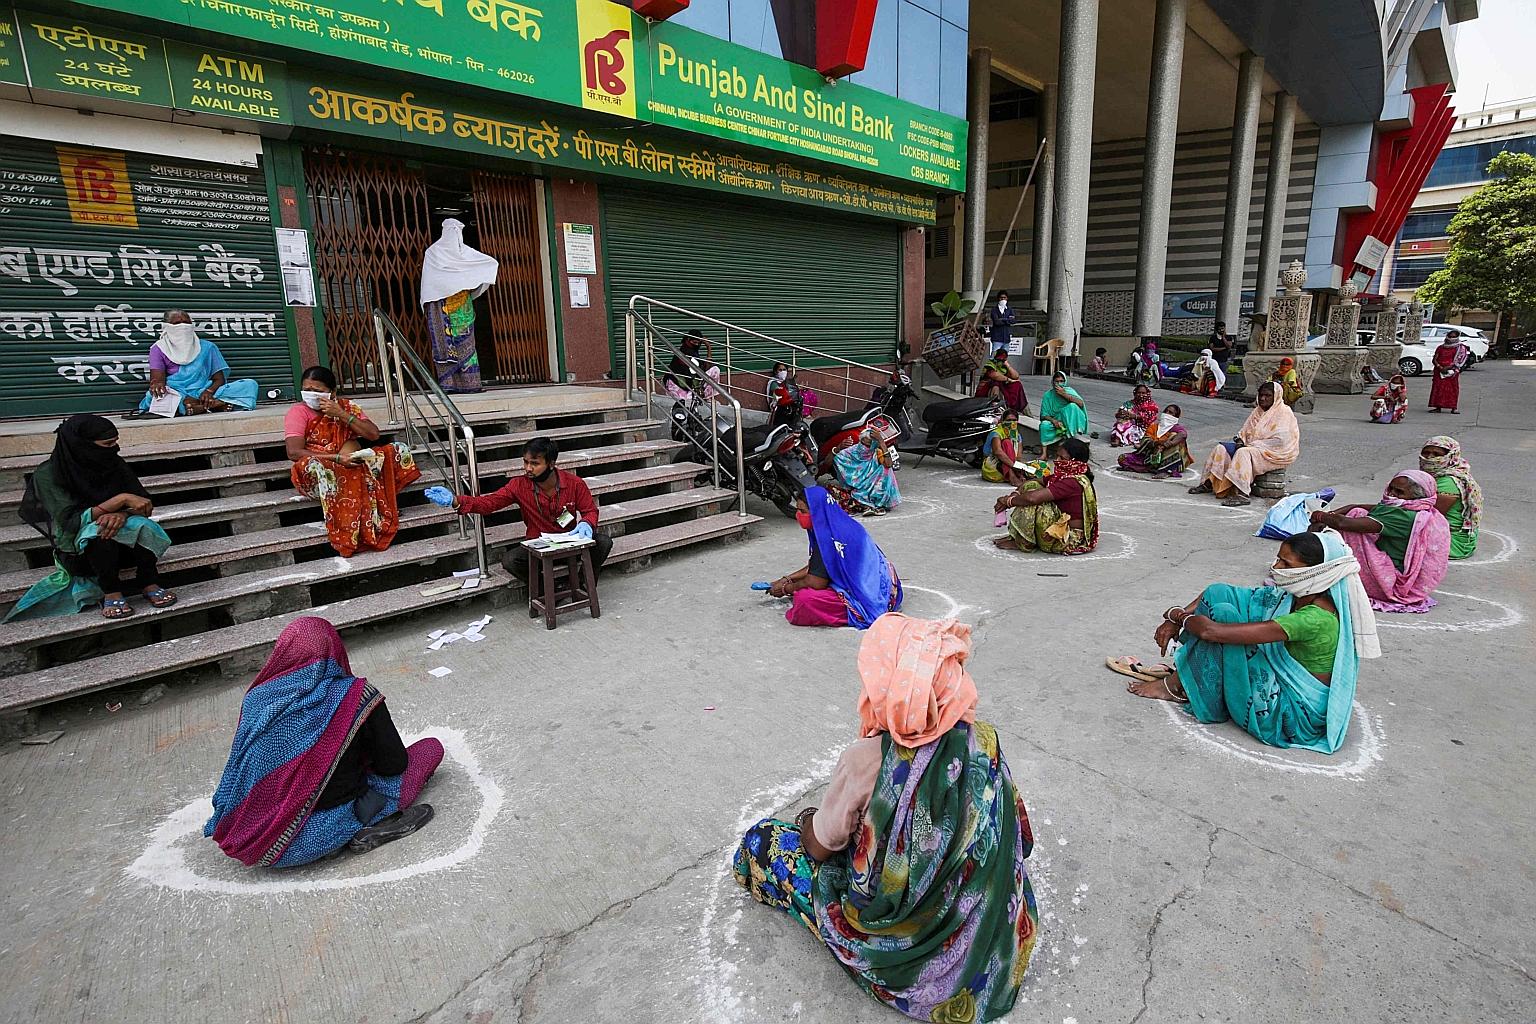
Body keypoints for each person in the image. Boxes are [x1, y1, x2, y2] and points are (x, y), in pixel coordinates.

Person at [734, 614, 1037, 1023]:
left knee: (762, 843)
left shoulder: (864, 761)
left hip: (909, 952)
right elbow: (1022, 837)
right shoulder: (983, 741)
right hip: (988, 936)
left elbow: (821, 847)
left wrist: (811, 819)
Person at [204, 617, 441, 868]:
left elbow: (238, 771)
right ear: (333, 649)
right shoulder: (355, 695)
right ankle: (366, 827)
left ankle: (336, 834)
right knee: (430, 749)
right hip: (324, 834)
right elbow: (394, 764)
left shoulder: (257, 699)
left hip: (264, 844)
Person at [1112, 531, 1379, 753]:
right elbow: (1217, 591)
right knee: (1220, 596)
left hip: (1289, 717)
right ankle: (1189, 679)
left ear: (1317, 572)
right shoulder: (1292, 597)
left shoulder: (1316, 617)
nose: (1276, 568)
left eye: (1287, 564)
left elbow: (1211, 633)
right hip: (1279, 686)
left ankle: (1180, 687)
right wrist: (1178, 618)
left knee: (1223, 620)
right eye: (1278, 559)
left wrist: (1175, 615)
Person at [7, 414, 175, 621]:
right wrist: (119, 501)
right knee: (98, 532)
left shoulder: (113, 463)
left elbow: (143, 503)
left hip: (126, 549)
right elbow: (71, 522)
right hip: (81, 553)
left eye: (115, 442)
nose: (115, 448)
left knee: (140, 525)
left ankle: (149, 581)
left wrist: (122, 514)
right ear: (82, 445)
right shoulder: (49, 474)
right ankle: (111, 592)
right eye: (108, 444)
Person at [428, 435, 613, 581]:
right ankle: (545, 593)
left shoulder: (574, 483)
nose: (528, 468)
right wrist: (455, 501)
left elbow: (589, 510)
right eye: (525, 462)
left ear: (551, 464)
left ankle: (582, 583)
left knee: (603, 543)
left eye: (535, 463)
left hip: (571, 542)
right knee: (510, 560)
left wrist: (587, 523)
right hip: (539, 544)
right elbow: (489, 503)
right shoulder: (518, 485)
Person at [286, 366, 420, 557]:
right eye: (307, 390)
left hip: (348, 460)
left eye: (317, 391)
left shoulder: (346, 407)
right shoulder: (298, 412)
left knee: (397, 449)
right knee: (335, 467)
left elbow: (373, 434)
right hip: (318, 470)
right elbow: (294, 452)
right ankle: (354, 521)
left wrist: (341, 414)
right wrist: (337, 458)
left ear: (332, 392)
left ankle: (377, 504)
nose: (311, 394)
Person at [1310, 471, 1450, 613]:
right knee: (1357, 512)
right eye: (1391, 488)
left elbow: (1343, 523)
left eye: (1399, 492)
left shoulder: (1403, 516)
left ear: (1416, 497)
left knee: (1352, 524)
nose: (1392, 494)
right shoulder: (1418, 510)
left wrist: (1319, 516)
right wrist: (1330, 515)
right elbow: (1357, 507)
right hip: (1391, 572)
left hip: (1390, 584)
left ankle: (1331, 571)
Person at [767, 487, 901, 628]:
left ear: (817, 512)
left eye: (803, 511)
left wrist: (786, 588)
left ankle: (853, 611)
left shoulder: (827, 537)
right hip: (888, 586)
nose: (798, 515)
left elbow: (816, 582)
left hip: (870, 598)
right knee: (805, 588)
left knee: (804, 599)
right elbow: (823, 565)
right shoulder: (842, 524)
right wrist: (787, 579)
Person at [1189, 381, 1300, 506]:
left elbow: (1281, 441)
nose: (1263, 398)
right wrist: (1240, 440)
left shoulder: (1284, 413)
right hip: (1253, 447)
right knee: (1221, 448)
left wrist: (1251, 446)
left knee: (1243, 453)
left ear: (1276, 397)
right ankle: (1209, 483)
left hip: (1274, 453)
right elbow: (1244, 432)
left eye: (1268, 396)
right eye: (1261, 395)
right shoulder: (1257, 411)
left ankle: (1242, 493)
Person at [420, 217, 498, 393]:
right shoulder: (433, 253)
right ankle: (449, 384)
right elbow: (431, 284)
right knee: (445, 348)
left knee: (467, 346)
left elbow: (488, 265)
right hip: (443, 310)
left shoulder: (466, 254)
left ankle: (470, 383)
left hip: (462, 309)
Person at [134, 310, 258, 416]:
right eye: (177, 323)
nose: (183, 326)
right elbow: (158, 379)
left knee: (249, 385)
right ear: (167, 327)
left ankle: (196, 406)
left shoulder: (208, 347)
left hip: (204, 391)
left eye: (186, 323)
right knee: (153, 398)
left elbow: (219, 379)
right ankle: (214, 405)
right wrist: (157, 385)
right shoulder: (158, 349)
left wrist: (208, 392)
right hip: (177, 392)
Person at [993, 436, 1099, 554]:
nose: (1057, 460)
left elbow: (1032, 499)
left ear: (1073, 461)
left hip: (1068, 538)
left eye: (1062, 458)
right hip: (1059, 527)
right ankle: (1017, 537)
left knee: (1031, 503)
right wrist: (1015, 493)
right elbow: (1034, 482)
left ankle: (1024, 542)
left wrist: (1008, 501)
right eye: (1057, 456)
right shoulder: (1066, 475)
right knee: (1031, 486)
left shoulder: (1072, 482)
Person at [1420, 435, 1482, 559]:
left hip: (1454, 543)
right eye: (1426, 453)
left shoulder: (1449, 482)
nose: (1430, 457)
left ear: (1451, 456)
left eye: (1436, 454)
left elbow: (1428, 515)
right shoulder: (1439, 474)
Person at [833, 429, 900, 515]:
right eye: (865, 444)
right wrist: (838, 448)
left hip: (873, 489)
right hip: (857, 490)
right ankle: (866, 504)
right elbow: (833, 460)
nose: (867, 448)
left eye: (870, 445)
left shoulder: (876, 453)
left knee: (887, 469)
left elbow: (889, 464)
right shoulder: (850, 452)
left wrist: (882, 442)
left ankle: (877, 504)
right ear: (861, 441)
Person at [1117, 404, 1192, 477]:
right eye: (1166, 411)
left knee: (1175, 438)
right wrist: (1157, 443)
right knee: (1122, 458)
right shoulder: (1154, 427)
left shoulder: (1176, 428)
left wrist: (1168, 444)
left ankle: (1166, 471)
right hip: (1151, 457)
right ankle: (1152, 468)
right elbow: (1144, 441)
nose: (1167, 414)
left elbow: (1183, 434)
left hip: (1170, 460)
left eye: (1170, 413)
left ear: (1175, 417)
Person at [664, 330, 724, 403]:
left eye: (699, 343)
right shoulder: (685, 351)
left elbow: (706, 366)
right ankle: (701, 397)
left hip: (687, 384)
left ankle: (705, 397)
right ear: (688, 340)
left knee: (714, 370)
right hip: (678, 385)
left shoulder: (692, 351)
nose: (697, 345)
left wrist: (708, 347)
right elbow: (698, 370)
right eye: (695, 342)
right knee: (688, 404)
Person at [1037, 370, 1088, 454]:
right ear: (1053, 382)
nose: (1059, 383)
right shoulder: (1048, 395)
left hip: (1068, 422)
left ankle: (1068, 439)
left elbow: (1081, 404)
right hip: (1055, 421)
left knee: (1072, 406)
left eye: (1061, 381)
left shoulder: (1069, 391)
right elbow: (1044, 415)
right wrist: (1054, 421)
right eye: (1056, 381)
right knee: (1044, 425)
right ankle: (1044, 454)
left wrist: (1065, 395)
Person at [976, 346, 1029, 412]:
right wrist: (1008, 379)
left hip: (1003, 387)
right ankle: (994, 407)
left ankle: (1015, 408)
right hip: (987, 389)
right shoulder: (990, 365)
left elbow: (1016, 376)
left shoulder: (1004, 367)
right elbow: (994, 375)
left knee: (1017, 384)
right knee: (995, 384)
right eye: (1000, 359)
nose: (1001, 361)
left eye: (1003, 359)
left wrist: (1008, 365)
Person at [981, 407, 1027, 483]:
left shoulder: (1017, 435)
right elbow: (998, 452)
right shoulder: (996, 433)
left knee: (1038, 468)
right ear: (1003, 421)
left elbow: (1018, 457)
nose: (1012, 423)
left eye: (1014, 420)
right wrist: (1013, 467)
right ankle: (1011, 475)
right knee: (1007, 443)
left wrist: (1020, 470)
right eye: (1009, 420)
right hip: (994, 466)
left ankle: (1015, 474)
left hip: (1011, 463)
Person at [1428, 331, 1470, 413]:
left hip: (1452, 372)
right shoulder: (1440, 347)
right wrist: (1440, 367)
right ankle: (1438, 406)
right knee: (1438, 388)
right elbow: (1435, 359)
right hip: (1439, 370)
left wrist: (1448, 368)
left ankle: (1453, 407)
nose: (1450, 338)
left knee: (1452, 389)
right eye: (1449, 336)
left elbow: (1459, 361)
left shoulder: (1460, 348)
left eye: (1453, 337)